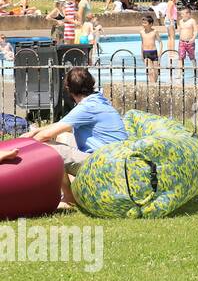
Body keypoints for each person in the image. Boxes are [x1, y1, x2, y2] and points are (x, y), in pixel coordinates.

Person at [4, 69, 126, 209]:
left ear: (68, 89)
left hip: (104, 164)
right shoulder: (98, 100)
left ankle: (69, 198)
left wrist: (22, 146)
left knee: (48, 149)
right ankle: (74, 188)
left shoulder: (87, 107)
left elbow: (45, 136)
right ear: (91, 83)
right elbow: (62, 126)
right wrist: (36, 131)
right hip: (115, 160)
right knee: (64, 136)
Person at [140, 15, 160, 83]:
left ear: (151, 24)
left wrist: (160, 52)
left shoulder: (155, 31)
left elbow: (160, 42)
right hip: (146, 52)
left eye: (145, 23)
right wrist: (141, 54)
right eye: (143, 23)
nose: (143, 25)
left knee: (156, 70)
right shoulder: (142, 32)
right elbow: (142, 43)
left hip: (154, 52)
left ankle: (155, 83)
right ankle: (152, 84)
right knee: (150, 70)